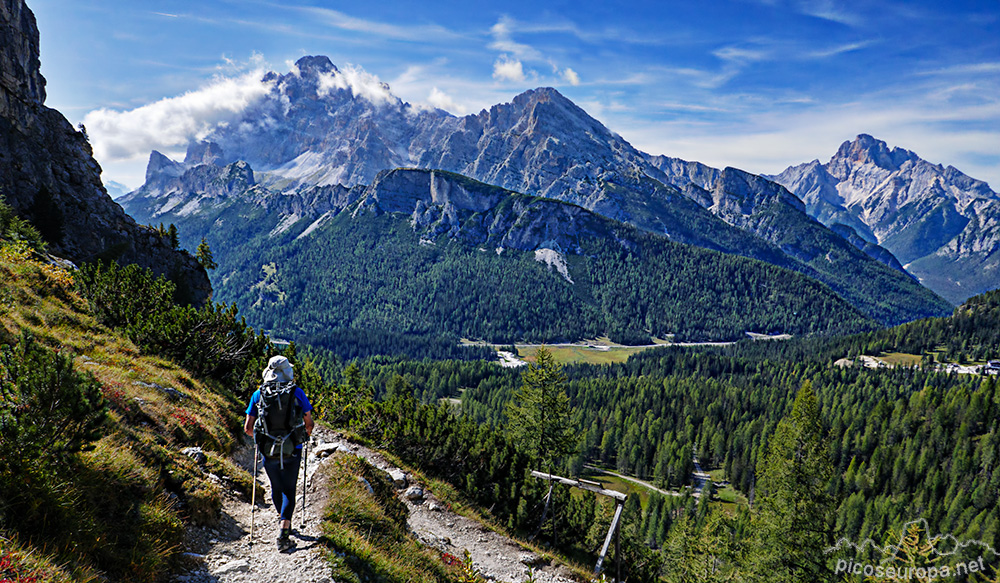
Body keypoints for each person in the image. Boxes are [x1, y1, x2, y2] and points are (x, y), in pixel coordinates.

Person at [243, 355, 315, 551]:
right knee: (289, 489)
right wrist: (304, 434)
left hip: (268, 450)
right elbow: (309, 423)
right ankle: (284, 531)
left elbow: (248, 428)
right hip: (293, 448)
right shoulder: (297, 393)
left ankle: (284, 520)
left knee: (277, 487)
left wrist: (263, 438)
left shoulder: (258, 395)